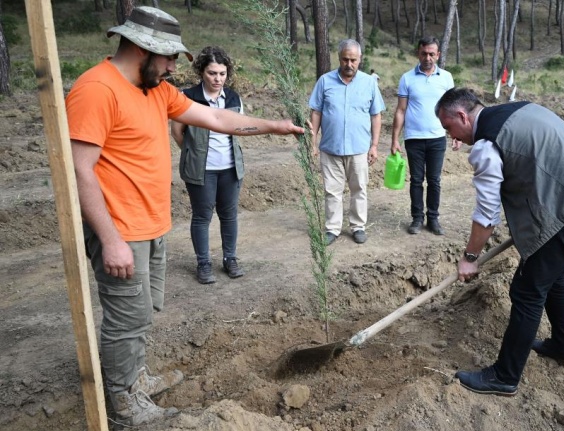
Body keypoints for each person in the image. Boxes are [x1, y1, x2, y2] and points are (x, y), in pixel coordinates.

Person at [65, 7, 304, 426]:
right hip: (120, 230)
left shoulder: (155, 89)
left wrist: (273, 126)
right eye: (170, 57)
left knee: (141, 313)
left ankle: (135, 377)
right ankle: (123, 404)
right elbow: (79, 168)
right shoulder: (96, 89)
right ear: (141, 49)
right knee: (126, 318)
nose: (177, 66)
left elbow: (213, 117)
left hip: (150, 225)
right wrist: (111, 239)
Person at [434, 88, 564, 396]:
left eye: (449, 127)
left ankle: (504, 377)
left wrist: (470, 257)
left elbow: (487, 215)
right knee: (550, 272)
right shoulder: (522, 110)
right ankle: (563, 345)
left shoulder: (486, 146)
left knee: (527, 289)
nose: (451, 137)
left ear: (463, 116)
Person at [171, 47, 247, 285]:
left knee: (229, 215)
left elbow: (240, 128)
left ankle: (230, 259)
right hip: (201, 170)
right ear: (202, 72)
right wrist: (194, 153)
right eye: (212, 73)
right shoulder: (188, 97)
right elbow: (177, 132)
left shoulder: (233, 98)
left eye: (222, 74)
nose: (218, 79)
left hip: (230, 169)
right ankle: (203, 263)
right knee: (202, 216)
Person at [309, 39, 385, 246]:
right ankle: (332, 229)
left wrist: (374, 145)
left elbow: (376, 115)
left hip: (359, 148)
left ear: (359, 60)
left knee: (359, 188)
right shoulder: (325, 81)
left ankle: (358, 226)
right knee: (332, 190)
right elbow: (316, 112)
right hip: (330, 148)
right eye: (345, 59)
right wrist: (313, 142)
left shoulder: (369, 83)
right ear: (339, 58)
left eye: (353, 60)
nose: (349, 64)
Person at [391, 36, 455, 235]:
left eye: (431, 54)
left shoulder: (446, 78)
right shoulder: (407, 78)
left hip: (437, 137)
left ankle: (433, 219)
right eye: (424, 53)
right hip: (414, 139)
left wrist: (456, 134)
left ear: (438, 55)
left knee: (434, 180)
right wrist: (395, 139)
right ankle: (417, 218)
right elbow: (401, 110)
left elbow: (452, 108)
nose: (427, 57)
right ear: (418, 53)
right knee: (416, 180)